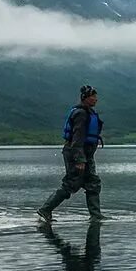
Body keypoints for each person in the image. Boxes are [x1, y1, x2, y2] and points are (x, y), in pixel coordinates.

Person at [37, 84, 106, 221]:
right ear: (85, 98)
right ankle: (45, 209)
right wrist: (79, 159)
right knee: (71, 183)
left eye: (95, 97)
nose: (95, 99)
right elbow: (77, 138)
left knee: (93, 183)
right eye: (93, 97)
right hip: (76, 153)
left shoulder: (89, 112)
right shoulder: (81, 113)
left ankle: (95, 216)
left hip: (86, 154)